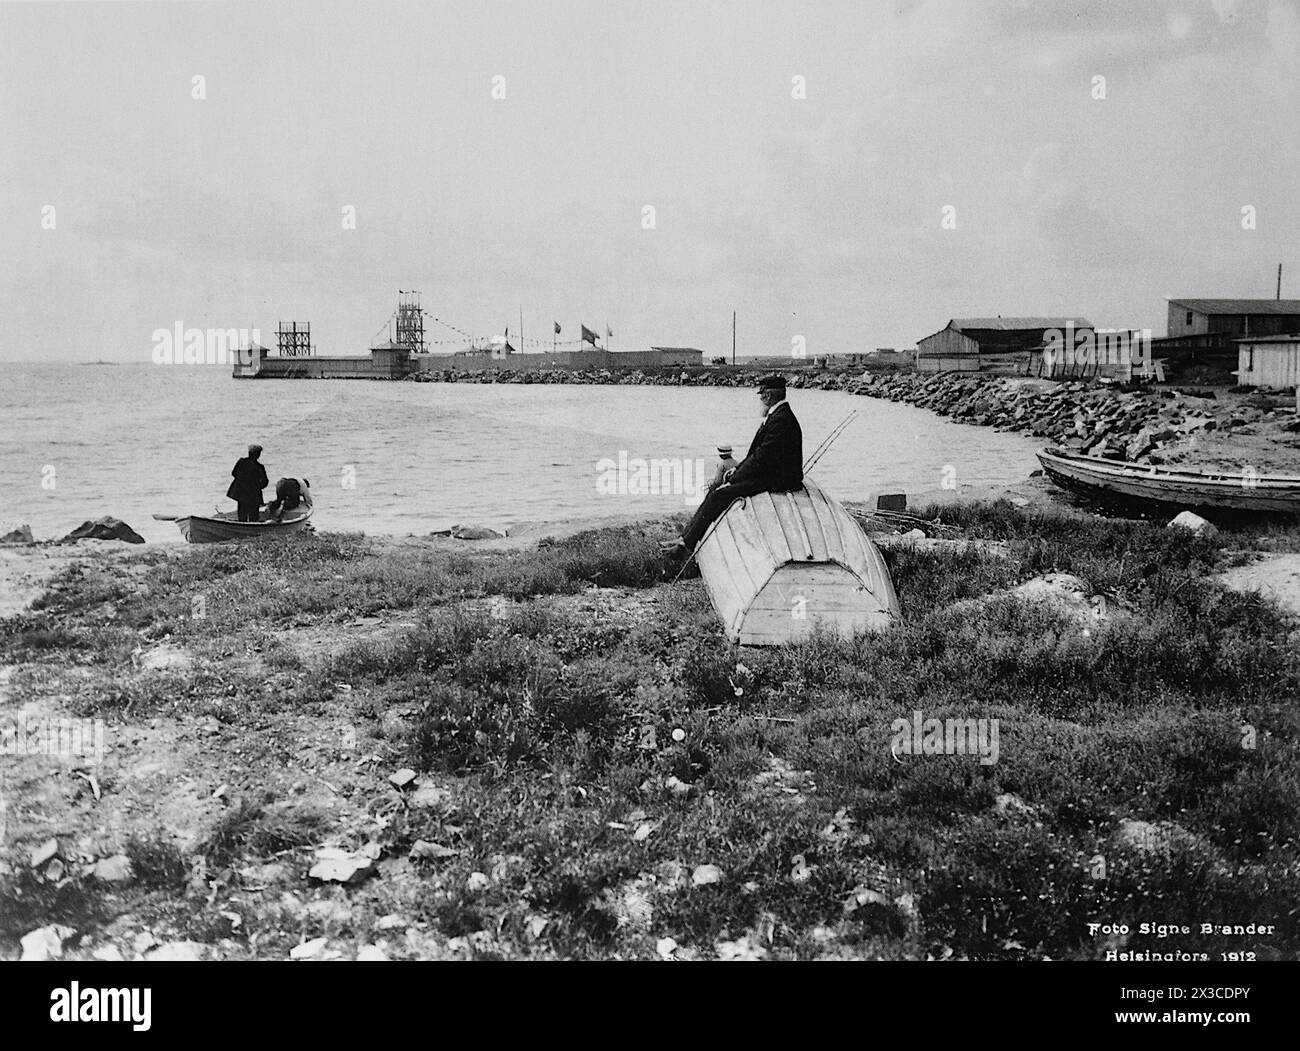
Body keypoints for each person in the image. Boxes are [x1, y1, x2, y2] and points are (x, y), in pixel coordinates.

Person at [663, 375, 803, 557]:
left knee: (720, 494)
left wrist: (736, 477)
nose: (760, 400)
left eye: (761, 395)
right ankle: (684, 539)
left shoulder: (780, 420)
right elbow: (757, 456)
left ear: (768, 396)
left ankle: (685, 547)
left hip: (780, 480)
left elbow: (761, 458)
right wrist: (737, 470)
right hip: (773, 473)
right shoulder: (780, 416)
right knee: (718, 492)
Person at [226, 444, 269, 522]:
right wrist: (256, 486)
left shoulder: (241, 462)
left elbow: (234, 473)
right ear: (258, 455)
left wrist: (242, 482)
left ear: (249, 453)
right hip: (253, 495)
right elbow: (265, 482)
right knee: (254, 516)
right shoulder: (259, 467)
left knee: (242, 514)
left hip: (241, 493)